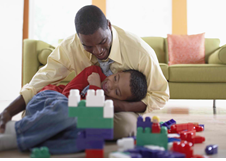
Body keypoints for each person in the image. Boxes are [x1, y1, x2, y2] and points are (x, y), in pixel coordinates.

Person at [0, 4, 169, 143]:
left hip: (117, 111)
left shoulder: (139, 52)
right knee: (39, 108)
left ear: (109, 26)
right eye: (88, 46)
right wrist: (7, 112)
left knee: (125, 126)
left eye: (103, 42)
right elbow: (42, 80)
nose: (98, 51)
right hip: (77, 105)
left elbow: (160, 95)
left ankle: (50, 129)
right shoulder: (71, 47)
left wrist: (120, 105)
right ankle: (59, 128)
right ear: (79, 38)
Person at [0, 65, 147, 153]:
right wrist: (95, 87)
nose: (110, 86)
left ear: (120, 100)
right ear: (117, 72)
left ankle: (29, 140)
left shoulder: (110, 104)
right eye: (115, 78)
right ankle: (14, 132)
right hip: (49, 100)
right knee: (69, 111)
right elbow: (68, 97)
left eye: (117, 92)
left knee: (85, 139)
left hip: (57, 119)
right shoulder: (94, 72)